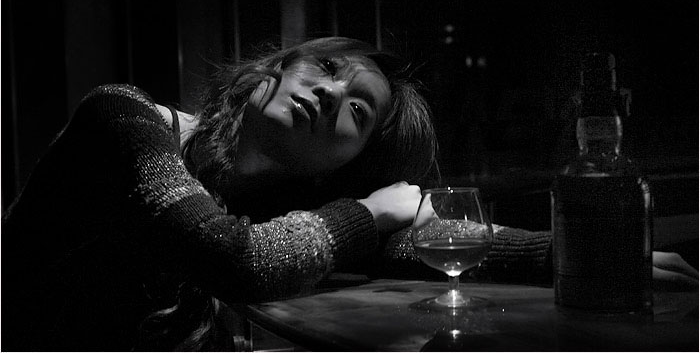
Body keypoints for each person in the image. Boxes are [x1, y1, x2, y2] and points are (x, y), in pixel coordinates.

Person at [2, 37, 696, 351]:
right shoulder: (123, 120)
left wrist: (569, 255)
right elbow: (233, 259)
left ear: (342, 164)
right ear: (278, 68)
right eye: (327, 67)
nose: (331, 91)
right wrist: (366, 212)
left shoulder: (272, 209)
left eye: (357, 111)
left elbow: (412, 245)